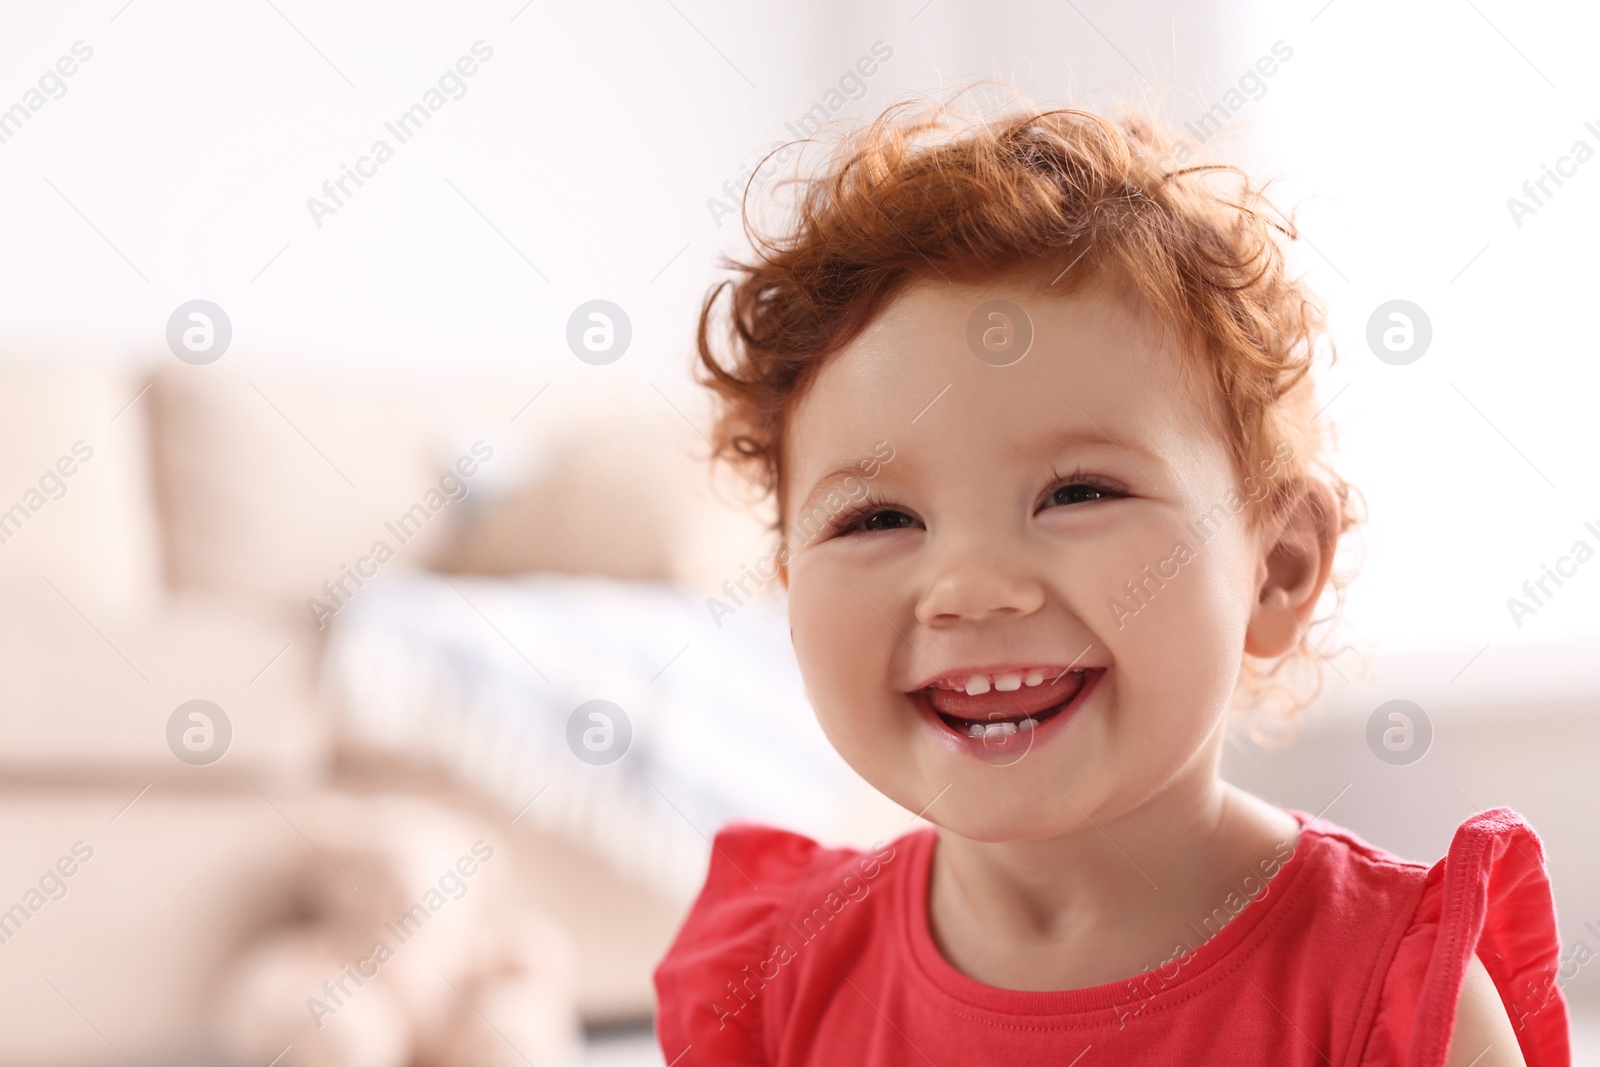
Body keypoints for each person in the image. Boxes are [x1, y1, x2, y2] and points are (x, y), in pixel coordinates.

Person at [655, 95, 1569, 1065]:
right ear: (789, 593)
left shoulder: (1388, 994)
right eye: (878, 518)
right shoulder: (779, 977)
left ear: (1277, 566)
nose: (970, 585)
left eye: (1078, 492)